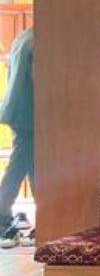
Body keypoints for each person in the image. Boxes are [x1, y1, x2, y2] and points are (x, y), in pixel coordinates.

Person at [0, 27, 34, 246]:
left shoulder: (24, 37)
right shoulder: (39, 40)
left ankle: (46, 217)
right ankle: (1, 215)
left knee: (31, 166)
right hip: (28, 112)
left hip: (18, 110)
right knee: (19, 166)